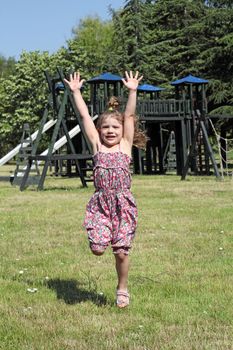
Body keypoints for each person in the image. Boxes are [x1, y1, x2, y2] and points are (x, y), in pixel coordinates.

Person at [64, 71, 146, 308]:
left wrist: (132, 91)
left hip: (123, 205)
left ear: (122, 131)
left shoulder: (125, 147)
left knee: (121, 251)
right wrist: (76, 91)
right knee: (98, 249)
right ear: (99, 131)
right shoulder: (97, 146)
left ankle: (122, 288)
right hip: (100, 205)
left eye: (115, 127)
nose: (110, 131)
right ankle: (101, 242)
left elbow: (129, 115)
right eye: (106, 127)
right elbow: (84, 117)